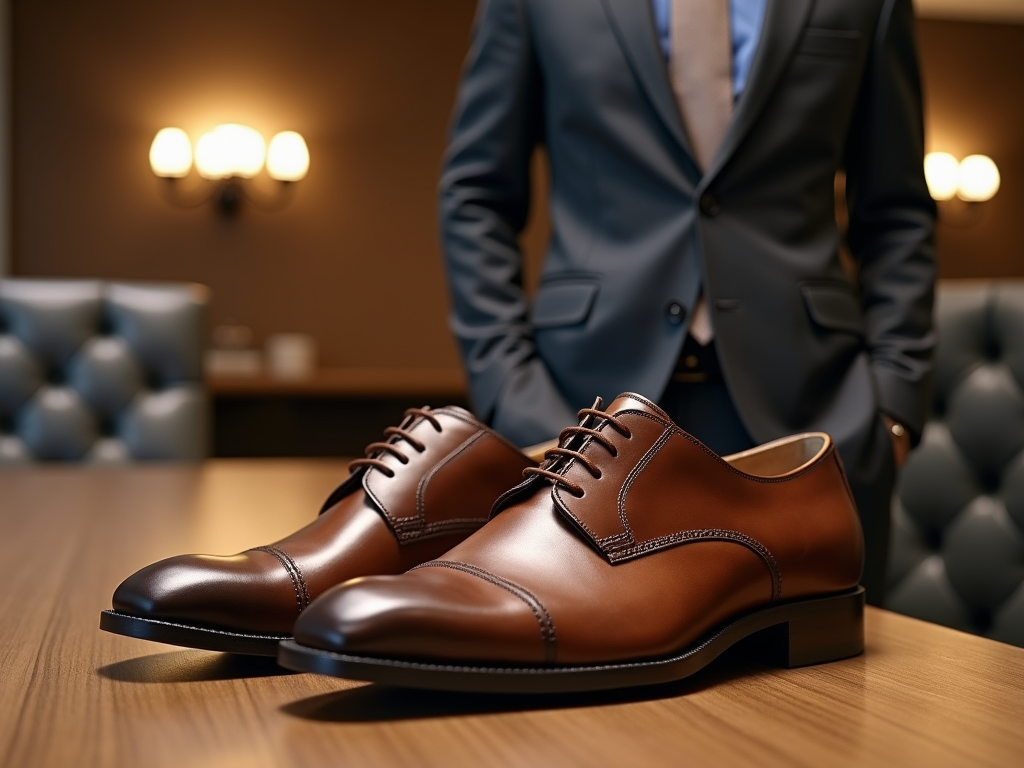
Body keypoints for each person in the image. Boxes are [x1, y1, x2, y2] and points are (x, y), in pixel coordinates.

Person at [439, 0, 936, 604]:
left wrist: (893, 410)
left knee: (831, 692)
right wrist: (511, 395)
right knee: (575, 680)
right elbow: (476, 197)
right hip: (577, 415)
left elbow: (897, 213)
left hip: (816, 419)